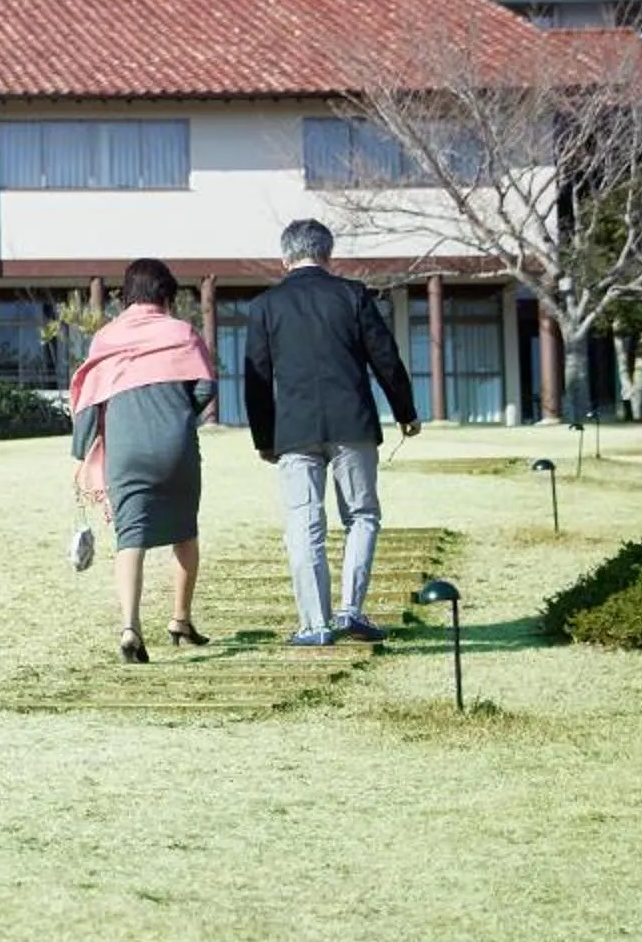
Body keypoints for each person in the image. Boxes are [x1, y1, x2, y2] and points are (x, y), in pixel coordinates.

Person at [242, 219, 420, 646]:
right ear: (328, 253)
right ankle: (350, 612)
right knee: (362, 515)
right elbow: (385, 358)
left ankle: (315, 624)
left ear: (285, 257)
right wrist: (405, 411)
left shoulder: (265, 305)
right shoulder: (353, 295)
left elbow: (256, 379)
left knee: (303, 522)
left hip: (294, 430)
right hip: (352, 424)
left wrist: (264, 438)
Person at [68, 258, 219, 664]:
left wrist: (80, 454)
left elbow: (88, 402)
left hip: (125, 448)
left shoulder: (105, 338)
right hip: (176, 445)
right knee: (185, 532)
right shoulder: (182, 332)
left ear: (126, 297)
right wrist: (182, 412)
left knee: (130, 537)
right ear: (165, 295)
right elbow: (206, 385)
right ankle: (180, 619)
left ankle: (130, 627)